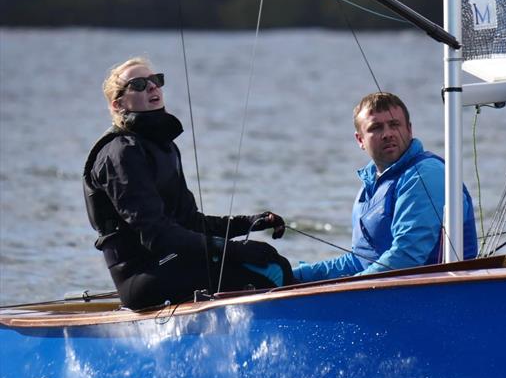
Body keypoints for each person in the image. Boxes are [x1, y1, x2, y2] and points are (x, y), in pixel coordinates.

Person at [84, 57, 292, 310]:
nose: (152, 87)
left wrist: (248, 223)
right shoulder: (120, 154)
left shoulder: (163, 146)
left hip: (173, 261)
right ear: (118, 105)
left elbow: (190, 222)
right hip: (143, 276)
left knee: (273, 261)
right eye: (139, 84)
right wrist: (232, 250)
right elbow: (156, 235)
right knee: (266, 271)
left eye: (156, 80)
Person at [293, 92, 478, 282]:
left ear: (409, 129)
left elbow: (407, 257)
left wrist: (348, 288)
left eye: (394, 125)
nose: (387, 134)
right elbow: (360, 262)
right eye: (376, 127)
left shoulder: (425, 174)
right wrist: (294, 276)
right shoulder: (367, 190)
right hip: (389, 295)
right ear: (360, 140)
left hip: (439, 295)